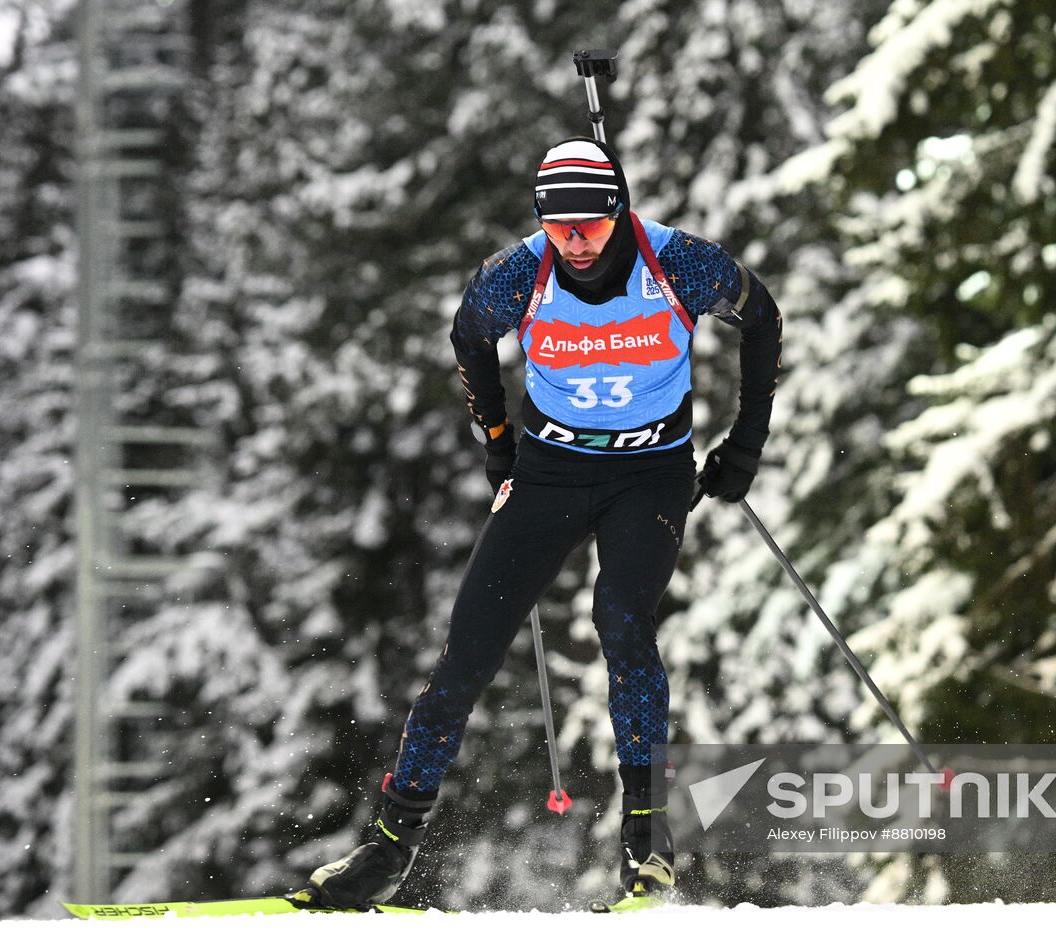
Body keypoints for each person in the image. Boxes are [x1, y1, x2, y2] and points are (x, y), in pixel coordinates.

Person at [291, 136, 782, 910]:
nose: (575, 239)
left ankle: (647, 836)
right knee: (467, 651)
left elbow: (761, 318)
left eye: (589, 223)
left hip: (650, 473)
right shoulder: (517, 273)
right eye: (559, 225)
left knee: (620, 618)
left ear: (617, 212)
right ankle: (389, 850)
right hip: (550, 472)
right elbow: (468, 336)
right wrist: (497, 442)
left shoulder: (678, 262)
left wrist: (745, 444)